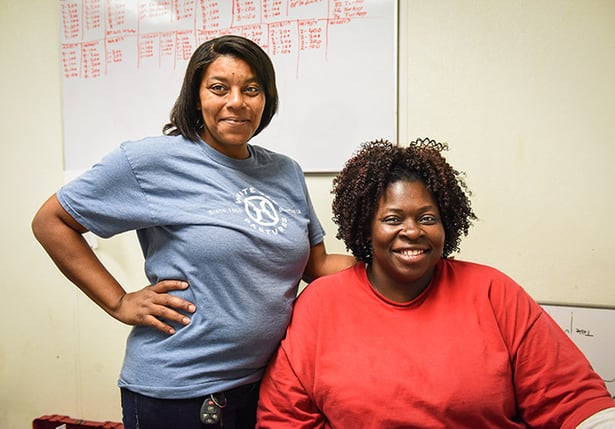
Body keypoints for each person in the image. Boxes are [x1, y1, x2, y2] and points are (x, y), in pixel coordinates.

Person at [31, 35, 354, 429]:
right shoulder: (152, 161)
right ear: (195, 96)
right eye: (219, 88)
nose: (237, 101)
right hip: (180, 392)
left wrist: (396, 262)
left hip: (266, 384)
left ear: (266, 98)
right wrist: (119, 302)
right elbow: (51, 222)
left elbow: (316, 264)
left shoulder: (284, 171)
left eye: (251, 89)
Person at [256, 138, 615, 428]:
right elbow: (284, 418)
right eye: (393, 218)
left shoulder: (494, 292)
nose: (412, 231)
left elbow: (573, 400)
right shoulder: (321, 305)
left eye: (427, 217)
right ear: (366, 227)